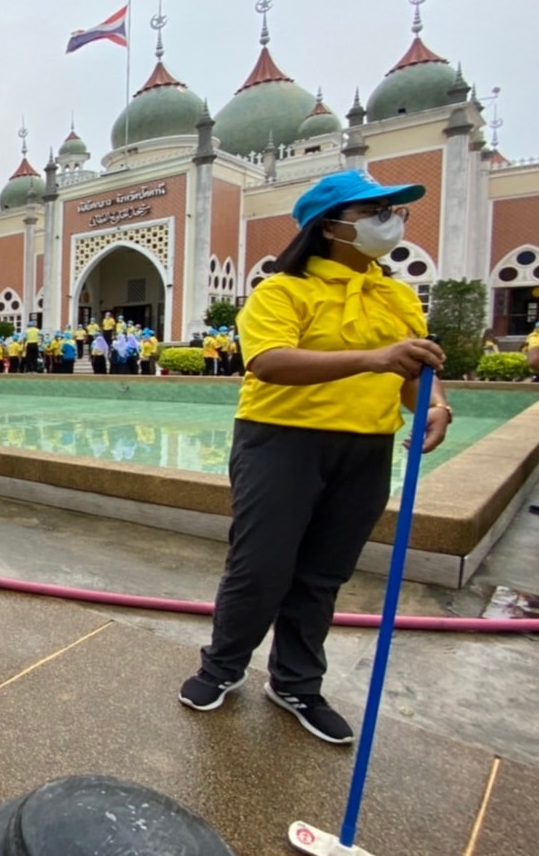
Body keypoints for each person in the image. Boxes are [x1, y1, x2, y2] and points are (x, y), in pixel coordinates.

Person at [178, 169, 451, 745]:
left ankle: (297, 681)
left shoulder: (398, 295)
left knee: (324, 573)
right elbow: (270, 362)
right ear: (329, 228)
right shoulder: (283, 290)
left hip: (366, 447)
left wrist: (434, 406)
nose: (391, 222)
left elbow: (416, 369)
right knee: (260, 568)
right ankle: (222, 667)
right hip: (281, 440)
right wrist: (375, 359)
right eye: (372, 213)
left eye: (395, 211)